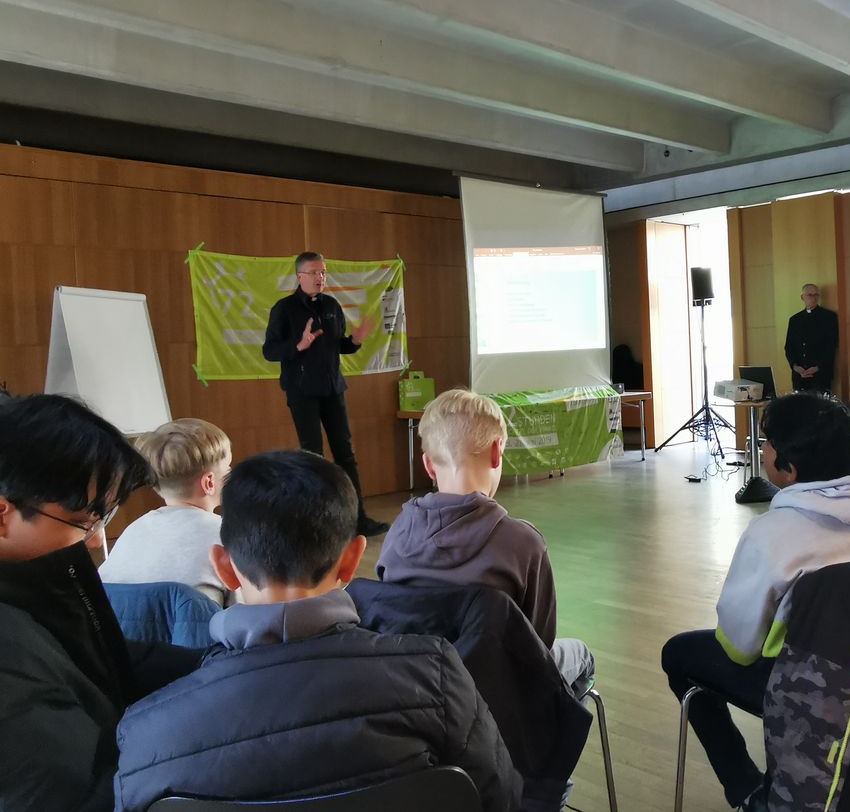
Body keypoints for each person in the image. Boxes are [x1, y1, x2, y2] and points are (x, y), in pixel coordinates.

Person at [113, 450, 521, 812]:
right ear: (352, 560)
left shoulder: (145, 733)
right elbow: (500, 797)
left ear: (224, 568)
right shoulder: (435, 676)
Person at [660, 392, 850, 811]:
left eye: (767, 443)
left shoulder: (771, 534)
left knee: (678, 655)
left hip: (807, 686)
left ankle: (746, 789)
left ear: (789, 468)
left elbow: (740, 646)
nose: (763, 450)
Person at [0, 394, 199, 812]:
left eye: (101, 519)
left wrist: (221, 664)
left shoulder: (40, 577)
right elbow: (68, 795)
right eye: (83, 521)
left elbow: (103, 659)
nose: (94, 541)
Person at [377, 388, 594, 695]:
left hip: (416, 689)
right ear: (496, 452)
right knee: (582, 655)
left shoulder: (397, 533)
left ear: (428, 465)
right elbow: (539, 645)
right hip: (496, 694)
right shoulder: (523, 544)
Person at [262, 250, 387, 537]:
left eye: (323, 272)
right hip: (302, 392)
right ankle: (319, 522)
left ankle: (358, 519)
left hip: (333, 389)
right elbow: (269, 350)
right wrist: (298, 346)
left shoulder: (331, 305)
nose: (320, 277)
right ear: (299, 276)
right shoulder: (284, 309)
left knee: (346, 454)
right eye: (314, 273)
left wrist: (355, 341)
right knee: (313, 457)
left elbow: (338, 345)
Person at [100, 418, 234, 605]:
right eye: (228, 468)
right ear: (209, 483)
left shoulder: (134, 530)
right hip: (197, 624)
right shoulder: (229, 534)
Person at [783, 283, 839, 394]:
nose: (813, 298)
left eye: (816, 295)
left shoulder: (828, 317)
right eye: (810, 295)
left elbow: (831, 346)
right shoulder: (795, 320)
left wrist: (817, 367)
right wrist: (795, 366)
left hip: (820, 374)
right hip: (799, 375)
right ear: (802, 297)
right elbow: (789, 346)